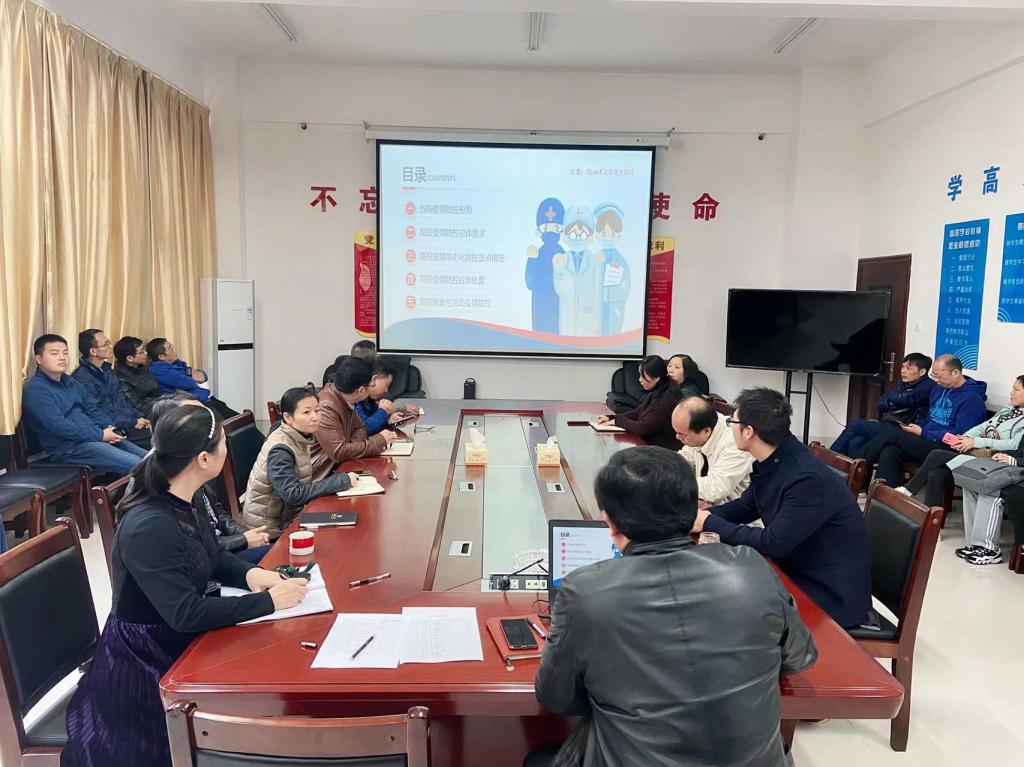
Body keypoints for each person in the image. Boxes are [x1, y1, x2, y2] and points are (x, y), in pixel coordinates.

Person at [528, 446, 817, 767]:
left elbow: (556, 698)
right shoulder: (751, 568)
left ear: (609, 522)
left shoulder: (583, 592)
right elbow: (799, 656)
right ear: (694, 512)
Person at [61, 403, 309, 767]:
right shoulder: (150, 524)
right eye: (223, 445)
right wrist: (270, 602)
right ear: (204, 459)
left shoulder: (183, 497)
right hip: (148, 661)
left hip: (181, 638)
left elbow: (210, 554)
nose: (227, 452)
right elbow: (185, 614)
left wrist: (250, 575)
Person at [694, 388, 872, 629]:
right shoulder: (779, 456)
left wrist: (708, 522)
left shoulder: (806, 478)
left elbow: (772, 542)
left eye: (731, 422)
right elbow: (746, 506)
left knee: (725, 607)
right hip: (797, 567)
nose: (729, 428)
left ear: (748, 431)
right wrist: (695, 518)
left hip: (829, 593)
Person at [149, 394, 271, 562]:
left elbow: (216, 514)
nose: (206, 420)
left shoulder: (189, 464)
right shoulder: (171, 478)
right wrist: (242, 540)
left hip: (218, 554)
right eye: (195, 415)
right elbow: (195, 547)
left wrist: (245, 535)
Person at [22, 334, 148, 476]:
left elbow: (92, 408)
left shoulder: (70, 381)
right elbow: (58, 426)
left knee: (149, 458)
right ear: (39, 359)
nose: (62, 357)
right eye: (54, 353)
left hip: (93, 437)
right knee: (138, 465)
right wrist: (100, 435)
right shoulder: (36, 390)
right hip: (68, 447)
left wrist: (108, 427)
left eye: (65, 353)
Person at [244, 387, 360, 540]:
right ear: (288, 417)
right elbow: (293, 494)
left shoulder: (298, 435)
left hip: (288, 517)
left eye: (317, 411)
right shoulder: (280, 449)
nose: (315, 417)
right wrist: (340, 481)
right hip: (268, 531)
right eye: (306, 412)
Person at [855, 355, 988, 487]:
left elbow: (959, 436)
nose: (936, 380)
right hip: (925, 439)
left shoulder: (972, 400)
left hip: (944, 448)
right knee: (890, 450)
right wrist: (917, 427)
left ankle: (854, 468)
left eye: (939, 376)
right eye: (934, 375)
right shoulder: (938, 389)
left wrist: (923, 433)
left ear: (955, 373)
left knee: (892, 434)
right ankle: (883, 493)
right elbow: (930, 417)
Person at [899, 375, 1024, 508]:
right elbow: (983, 427)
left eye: (1016, 390)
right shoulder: (1008, 409)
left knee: (937, 454)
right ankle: (932, 517)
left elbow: (1014, 444)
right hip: (977, 455)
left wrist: (975, 442)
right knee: (936, 475)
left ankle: (908, 490)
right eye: (1012, 388)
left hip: (995, 460)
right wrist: (965, 438)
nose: (1011, 393)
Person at [831, 353, 935, 457]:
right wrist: (893, 402)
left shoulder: (928, 386)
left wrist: (893, 399)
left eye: (908, 368)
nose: (903, 371)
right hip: (890, 424)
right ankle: (848, 465)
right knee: (856, 441)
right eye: (902, 367)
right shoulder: (903, 384)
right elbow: (880, 402)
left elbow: (906, 400)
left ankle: (830, 456)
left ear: (922, 371)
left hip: (903, 430)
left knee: (856, 424)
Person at [311, 356, 397, 472]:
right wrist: (379, 441)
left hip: (344, 465)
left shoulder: (347, 398)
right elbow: (338, 453)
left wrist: (351, 446)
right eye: (371, 385)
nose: (372, 387)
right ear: (361, 390)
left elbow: (361, 430)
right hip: (325, 473)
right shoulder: (326, 406)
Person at [72, 329, 152, 450]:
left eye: (109, 342)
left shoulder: (107, 370)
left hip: (125, 424)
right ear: (93, 351)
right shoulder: (82, 378)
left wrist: (137, 416)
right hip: (111, 430)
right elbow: (97, 411)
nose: (111, 347)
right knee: (159, 440)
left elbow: (121, 400)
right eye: (106, 344)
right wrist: (132, 422)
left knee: (164, 432)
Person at [673, 396, 752, 506]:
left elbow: (715, 488)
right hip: (708, 502)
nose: (677, 437)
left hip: (733, 510)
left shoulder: (735, 442)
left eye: (682, 434)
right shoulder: (702, 426)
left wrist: (673, 483)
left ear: (706, 431)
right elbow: (684, 458)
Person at [595, 355, 680, 450]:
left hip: (662, 452)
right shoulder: (656, 392)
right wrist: (611, 418)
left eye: (643, 376)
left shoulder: (667, 400)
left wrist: (617, 421)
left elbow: (642, 428)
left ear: (656, 378)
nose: (639, 380)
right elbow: (637, 413)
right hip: (649, 447)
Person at [147, 337, 239, 419]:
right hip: (194, 405)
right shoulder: (159, 370)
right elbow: (189, 383)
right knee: (226, 424)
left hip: (205, 399)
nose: (174, 351)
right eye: (171, 349)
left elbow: (203, 376)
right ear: (161, 356)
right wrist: (190, 375)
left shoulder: (176, 363)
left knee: (238, 418)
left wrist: (188, 375)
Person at [525, 197, 564, 334]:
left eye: (555, 227)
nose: (550, 231)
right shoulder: (538, 253)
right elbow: (529, 282)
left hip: (558, 306)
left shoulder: (562, 253)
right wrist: (531, 260)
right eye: (546, 227)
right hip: (540, 305)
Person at [354, 361, 419, 435]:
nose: (386, 390)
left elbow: (374, 421)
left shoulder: (371, 399)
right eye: (387, 384)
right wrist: (383, 411)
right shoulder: (356, 400)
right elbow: (364, 429)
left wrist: (388, 421)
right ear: (374, 380)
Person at [114, 335, 163, 417]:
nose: (146, 353)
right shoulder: (120, 378)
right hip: (146, 414)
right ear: (129, 358)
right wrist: (165, 404)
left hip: (158, 405)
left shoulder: (142, 368)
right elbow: (137, 406)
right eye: (141, 352)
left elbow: (158, 391)